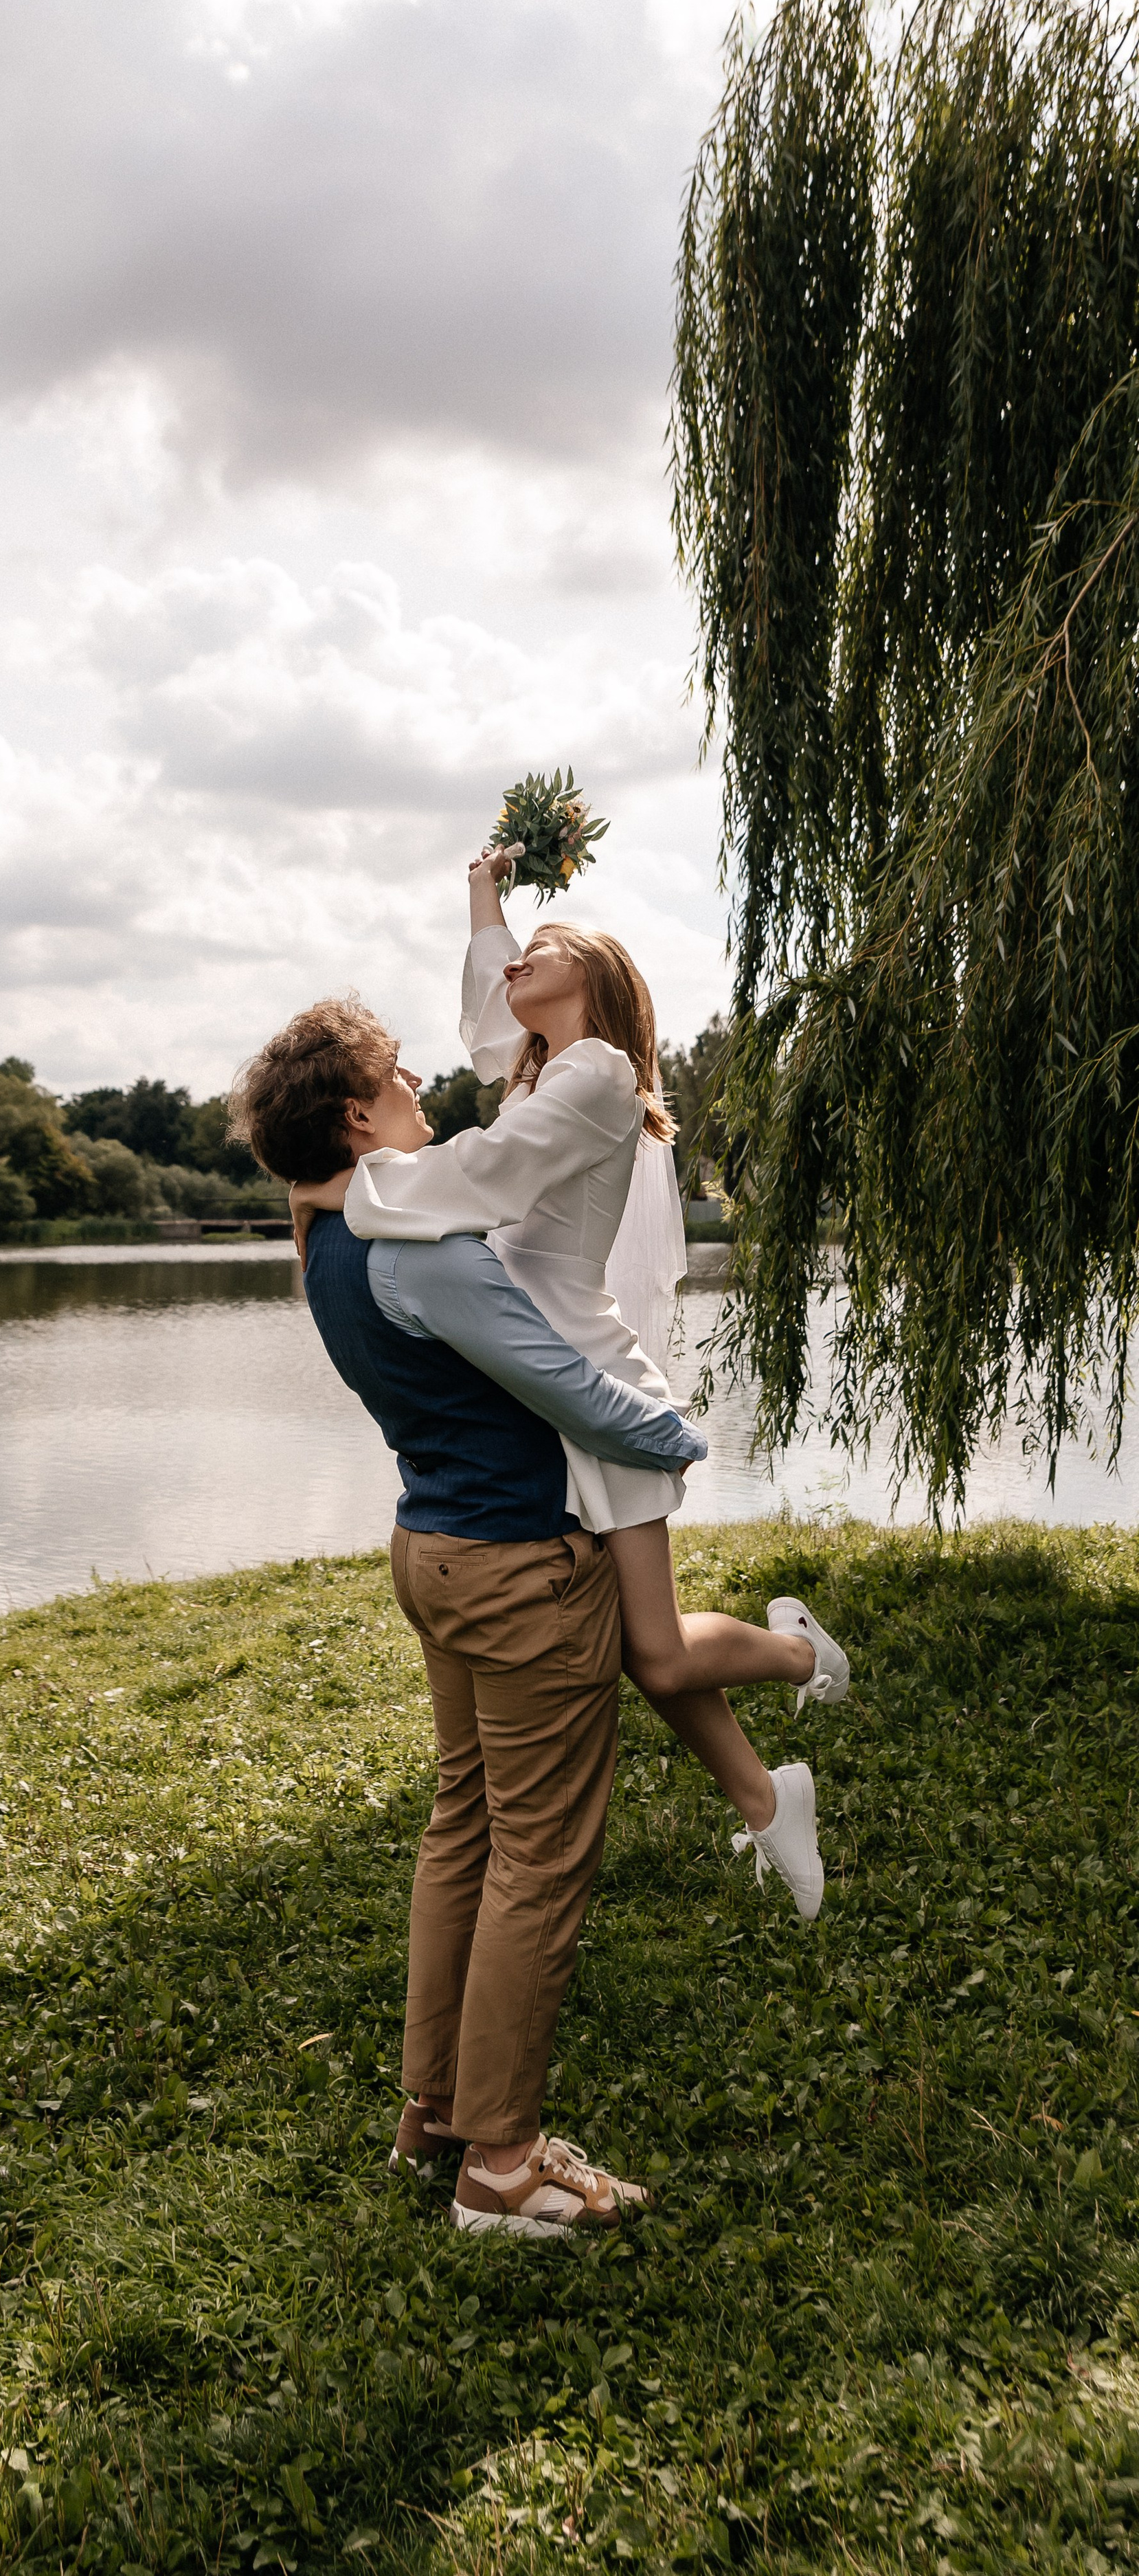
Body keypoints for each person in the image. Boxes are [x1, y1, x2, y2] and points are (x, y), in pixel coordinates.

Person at [289, 847, 848, 1923]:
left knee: (654, 1648)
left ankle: (794, 1655)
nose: (516, 969)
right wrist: (486, 899)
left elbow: (484, 1174)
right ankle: (770, 1799)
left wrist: (351, 1182)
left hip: (582, 1372)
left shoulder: (593, 1075)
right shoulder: (546, 1067)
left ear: (592, 980)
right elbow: (491, 1021)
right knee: (642, 1646)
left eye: (542, 953)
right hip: (524, 1376)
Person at [231, 997, 702, 2236]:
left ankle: (431, 2113)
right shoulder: (421, 1252)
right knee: (539, 1860)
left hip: (431, 1549)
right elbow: (563, 1385)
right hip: (517, 1569)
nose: (418, 1078)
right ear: (354, 1115)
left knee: (467, 1829)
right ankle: (500, 2164)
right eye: (394, 1073)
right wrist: (675, 1440)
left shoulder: (324, 1242)